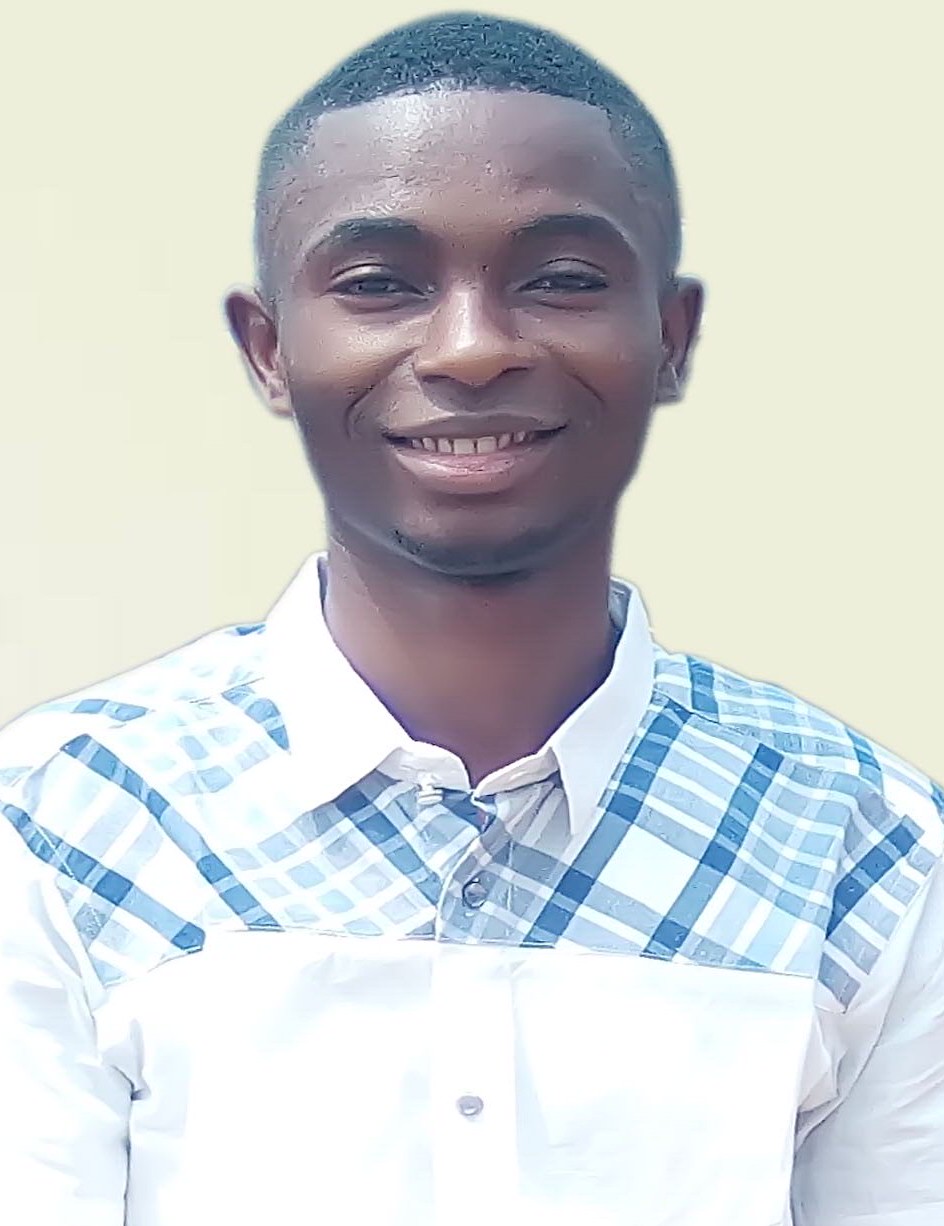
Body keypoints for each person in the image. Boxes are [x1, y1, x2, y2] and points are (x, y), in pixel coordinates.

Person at [1, 11, 941, 1225]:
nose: (469, 348)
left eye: (561, 280)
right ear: (269, 350)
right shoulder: (62, 823)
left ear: (668, 338)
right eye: (377, 285)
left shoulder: (860, 846)